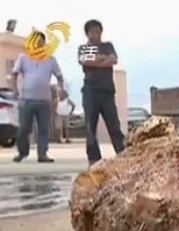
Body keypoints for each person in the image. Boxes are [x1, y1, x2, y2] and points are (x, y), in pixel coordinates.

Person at [11, 31, 68, 163]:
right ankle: (22, 152)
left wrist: (61, 89)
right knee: (23, 128)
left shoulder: (50, 59)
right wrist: (15, 90)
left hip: (44, 100)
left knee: (43, 129)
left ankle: (42, 154)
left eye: (40, 41)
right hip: (26, 99)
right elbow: (14, 74)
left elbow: (59, 76)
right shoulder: (23, 58)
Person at [78, 19, 125, 165]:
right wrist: (102, 60)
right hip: (91, 92)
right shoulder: (85, 47)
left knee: (114, 126)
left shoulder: (107, 46)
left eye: (98, 32)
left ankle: (122, 154)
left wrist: (98, 61)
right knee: (90, 128)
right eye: (92, 32)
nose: (95, 35)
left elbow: (113, 60)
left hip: (107, 92)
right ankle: (94, 159)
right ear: (87, 34)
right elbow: (85, 61)